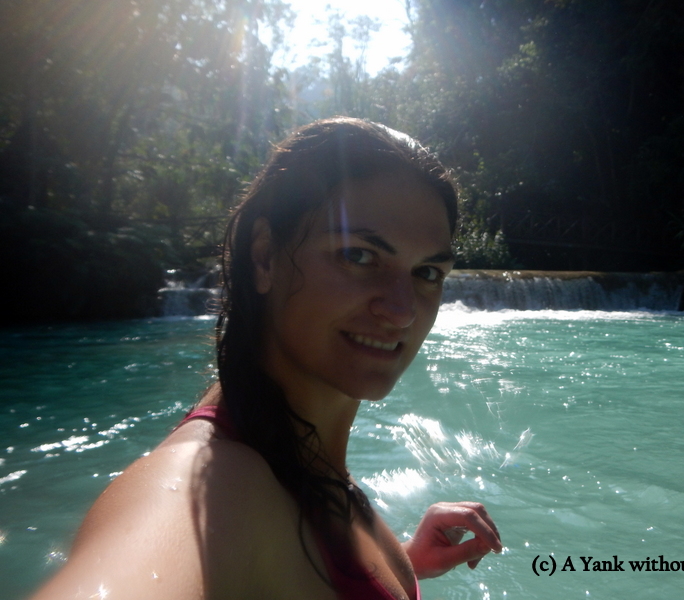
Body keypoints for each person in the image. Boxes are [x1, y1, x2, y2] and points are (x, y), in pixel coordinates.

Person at [32, 117, 502, 600]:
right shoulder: (210, 484)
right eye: (359, 256)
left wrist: (404, 563)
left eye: (427, 272)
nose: (402, 311)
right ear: (264, 257)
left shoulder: (306, 463)